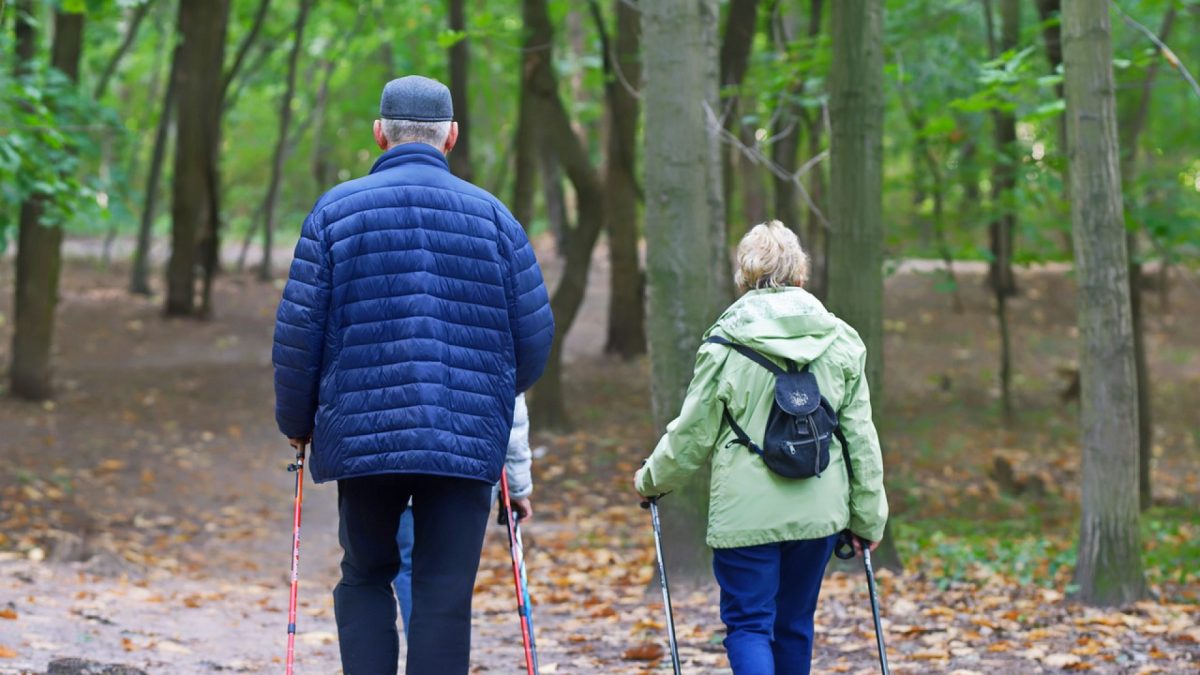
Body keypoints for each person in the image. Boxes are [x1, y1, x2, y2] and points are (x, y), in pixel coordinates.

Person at [272, 75, 554, 675]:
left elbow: (299, 335)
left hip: (365, 435)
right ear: (451, 136)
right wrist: (490, 395)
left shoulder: (333, 213)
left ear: (380, 134)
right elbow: (532, 342)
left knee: (366, 575)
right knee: (444, 595)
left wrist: (298, 422)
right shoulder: (496, 220)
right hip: (466, 437)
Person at [633, 221, 887, 675]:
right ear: (801, 275)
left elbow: (693, 431)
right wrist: (868, 518)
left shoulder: (725, 341)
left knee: (749, 625)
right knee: (794, 623)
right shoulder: (843, 339)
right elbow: (860, 440)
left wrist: (653, 479)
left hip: (745, 515)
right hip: (818, 512)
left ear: (745, 277)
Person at [393, 393, 533, 635]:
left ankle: (423, 656)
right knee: (451, 572)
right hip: (467, 470)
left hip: (398, 464)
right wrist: (517, 486)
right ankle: (439, 659)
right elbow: (513, 412)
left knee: (409, 567)